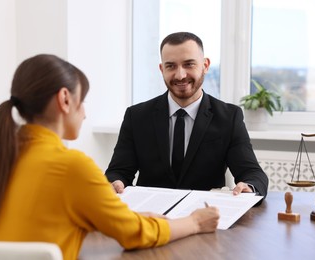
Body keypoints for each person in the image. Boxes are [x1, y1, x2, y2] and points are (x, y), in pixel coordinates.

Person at [0, 54, 219, 260]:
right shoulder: (71, 166)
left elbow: (51, 215)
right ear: (65, 99)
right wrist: (195, 222)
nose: (84, 113)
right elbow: (134, 235)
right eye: (82, 101)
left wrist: (134, 217)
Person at [106, 32, 269, 198]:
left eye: (189, 64)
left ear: (205, 65)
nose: (180, 75)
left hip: (203, 216)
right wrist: (115, 182)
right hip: (152, 217)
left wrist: (249, 186)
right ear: (162, 69)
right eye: (171, 66)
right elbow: (118, 172)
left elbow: (253, 174)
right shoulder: (136, 116)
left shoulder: (229, 117)